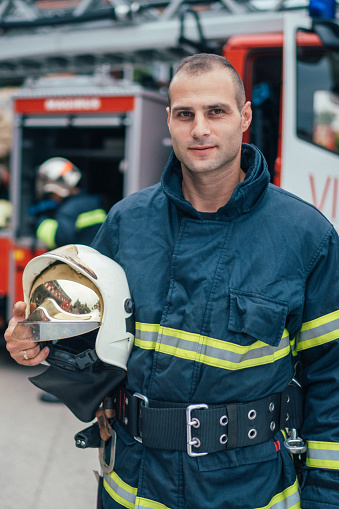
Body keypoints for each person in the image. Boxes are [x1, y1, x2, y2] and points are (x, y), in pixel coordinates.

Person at [5, 54, 339, 509]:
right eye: (186, 114)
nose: (200, 128)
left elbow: (331, 380)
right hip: (132, 489)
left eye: (215, 112)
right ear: (169, 121)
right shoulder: (127, 223)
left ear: (244, 117)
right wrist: (39, 341)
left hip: (248, 492)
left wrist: (325, 499)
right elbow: (90, 346)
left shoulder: (306, 237)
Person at [29, 156, 107, 403]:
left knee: (71, 336)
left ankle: (70, 390)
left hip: (79, 278)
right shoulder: (88, 201)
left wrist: (41, 221)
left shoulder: (70, 207)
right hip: (93, 273)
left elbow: (57, 237)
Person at [29, 157, 107, 250]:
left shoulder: (68, 210)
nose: (51, 197)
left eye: (51, 194)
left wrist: (41, 221)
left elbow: (60, 240)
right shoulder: (90, 202)